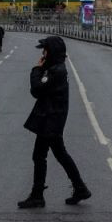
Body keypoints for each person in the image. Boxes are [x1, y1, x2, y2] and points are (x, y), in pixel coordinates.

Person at [18, 36, 90, 209]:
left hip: (50, 120)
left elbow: (36, 89)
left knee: (41, 156)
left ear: (52, 52)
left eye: (45, 50)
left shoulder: (55, 71)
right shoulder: (55, 68)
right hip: (51, 118)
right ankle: (79, 188)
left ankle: (38, 196)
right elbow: (37, 92)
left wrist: (36, 68)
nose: (43, 53)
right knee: (58, 154)